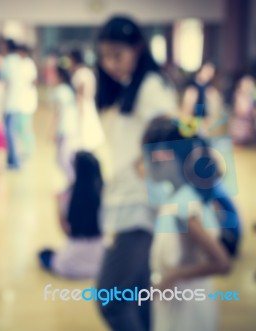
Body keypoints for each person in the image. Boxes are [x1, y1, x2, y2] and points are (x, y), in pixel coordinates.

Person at [94, 16, 177, 331]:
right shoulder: (132, 86)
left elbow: (172, 136)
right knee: (138, 296)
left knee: (111, 299)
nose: (110, 63)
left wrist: (144, 166)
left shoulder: (151, 86)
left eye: (117, 54)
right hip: (127, 198)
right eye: (104, 56)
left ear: (138, 48)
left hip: (139, 203)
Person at [141, 116, 231, 331]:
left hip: (186, 308)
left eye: (150, 156)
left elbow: (222, 263)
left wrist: (172, 276)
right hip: (180, 300)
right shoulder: (177, 198)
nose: (146, 165)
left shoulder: (183, 207)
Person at [38, 151, 104, 279]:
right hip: (100, 260)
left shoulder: (68, 197)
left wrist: (57, 205)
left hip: (70, 263)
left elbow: (65, 230)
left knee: (44, 254)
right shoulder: (106, 194)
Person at [69, 49, 104, 151]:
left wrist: (80, 108)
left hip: (82, 104)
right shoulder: (88, 72)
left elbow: (82, 93)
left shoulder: (80, 73)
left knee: (83, 128)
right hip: (89, 103)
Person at [51, 65, 80, 182]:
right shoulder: (69, 90)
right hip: (71, 126)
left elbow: (57, 113)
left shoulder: (60, 91)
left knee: (62, 159)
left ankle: (73, 183)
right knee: (66, 157)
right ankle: (72, 184)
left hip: (64, 128)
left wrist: (52, 130)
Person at [181, 62, 224, 135]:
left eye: (211, 73)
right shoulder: (191, 87)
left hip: (205, 122)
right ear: (200, 70)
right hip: (192, 121)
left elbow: (215, 110)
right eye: (207, 71)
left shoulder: (210, 89)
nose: (209, 74)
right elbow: (186, 111)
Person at [1, 39, 25, 169]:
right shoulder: (18, 61)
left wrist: (3, 103)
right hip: (17, 100)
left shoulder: (8, 62)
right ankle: (13, 158)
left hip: (10, 101)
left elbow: (7, 83)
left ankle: (14, 160)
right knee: (13, 131)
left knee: (9, 131)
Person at [17, 45, 38, 160]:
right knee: (21, 127)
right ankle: (24, 149)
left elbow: (33, 80)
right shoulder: (21, 64)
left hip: (26, 102)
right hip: (21, 101)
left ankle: (28, 150)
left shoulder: (29, 64)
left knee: (26, 127)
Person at [230, 74, 256, 145]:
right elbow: (239, 111)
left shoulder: (250, 98)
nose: (248, 88)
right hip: (240, 126)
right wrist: (251, 113)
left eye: (250, 86)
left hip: (248, 125)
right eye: (247, 85)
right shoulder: (238, 96)